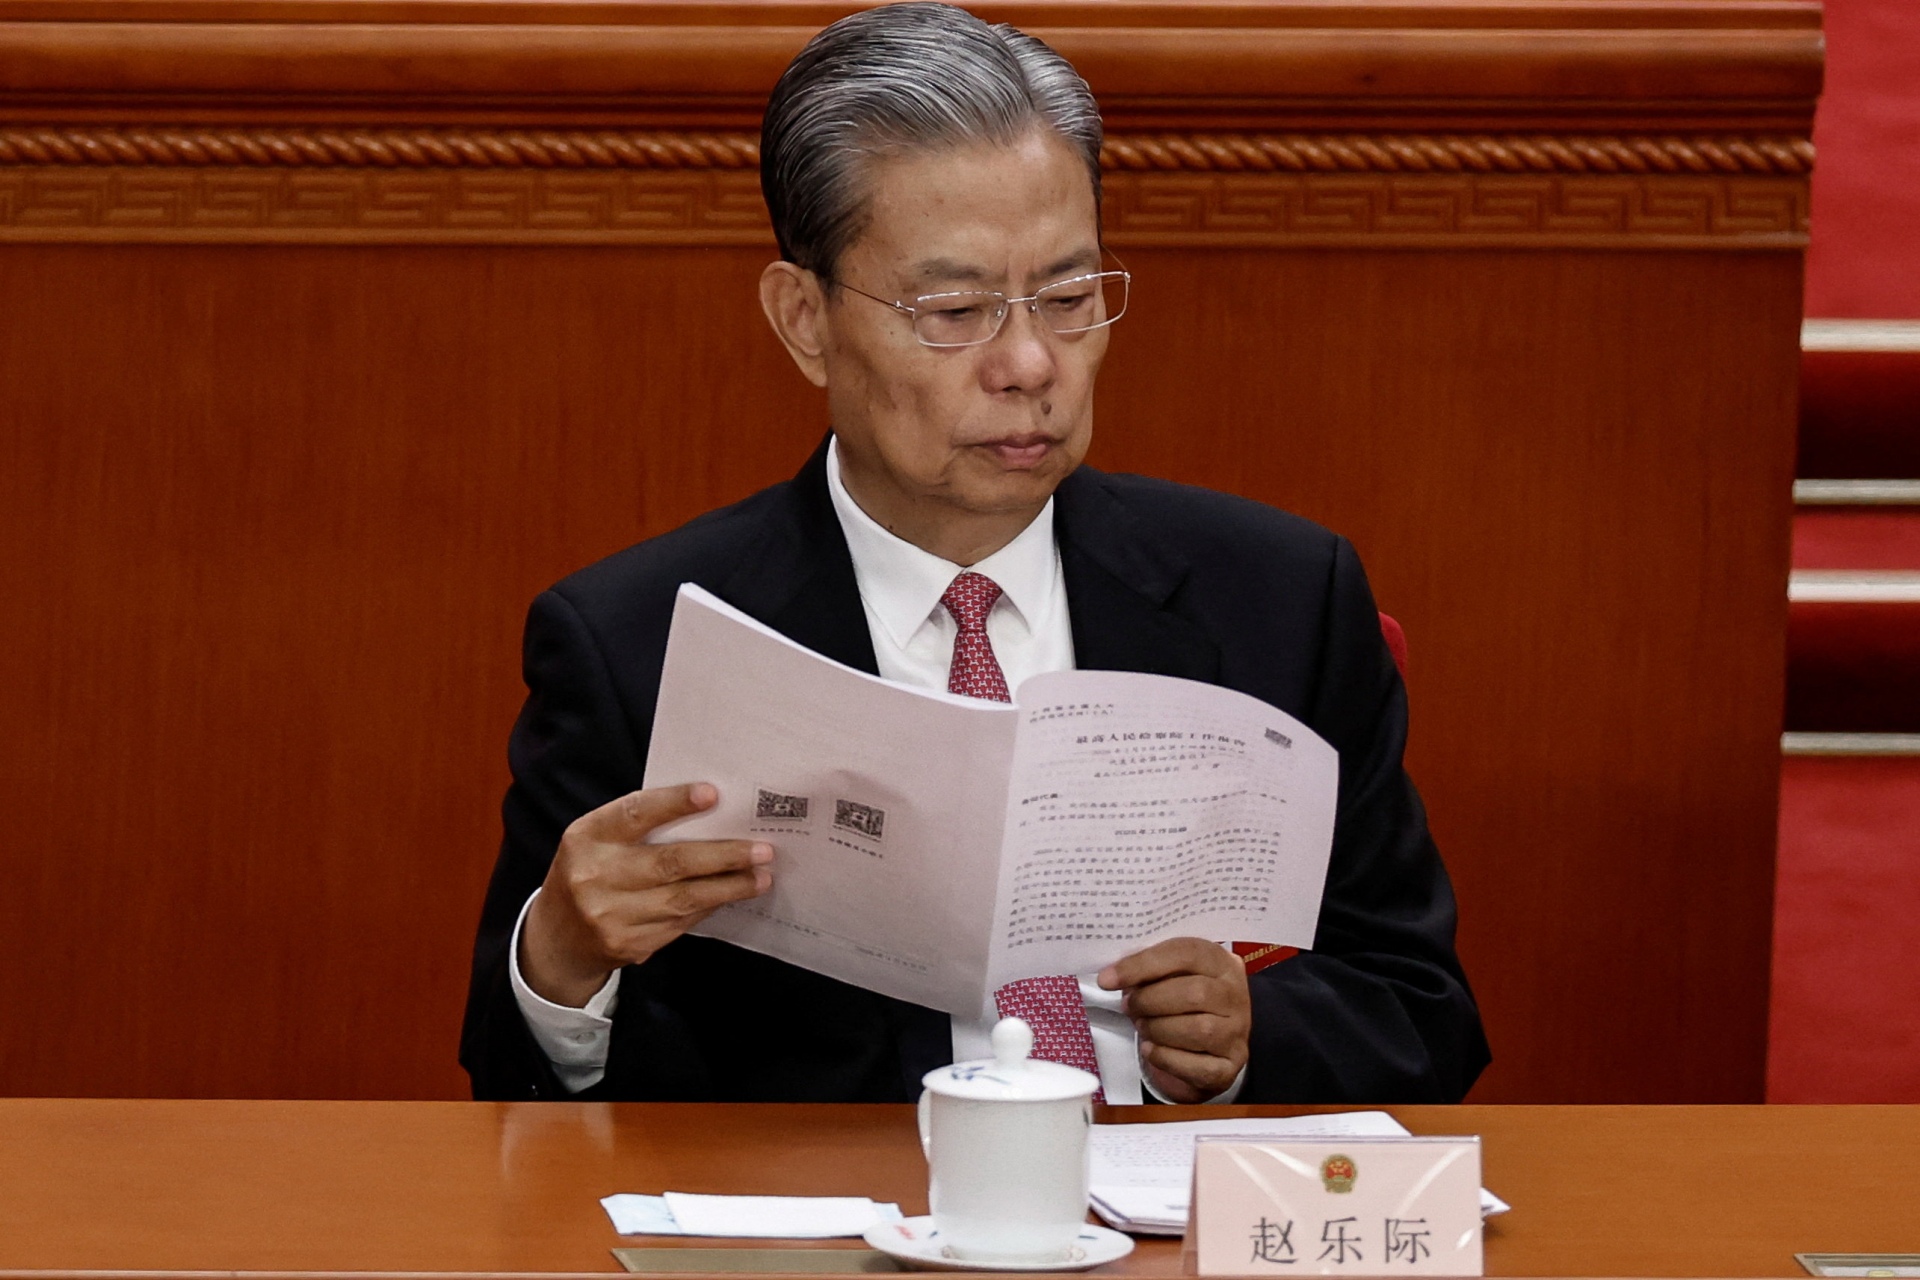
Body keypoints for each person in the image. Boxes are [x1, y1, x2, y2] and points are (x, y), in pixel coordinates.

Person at [460, 1, 1489, 1105]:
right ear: (804, 319)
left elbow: (1424, 1013)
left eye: (1069, 296)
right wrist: (561, 959)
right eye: (955, 309)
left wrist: (1250, 1038)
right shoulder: (637, 641)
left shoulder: (1282, 597)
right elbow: (510, 1083)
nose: (1031, 363)